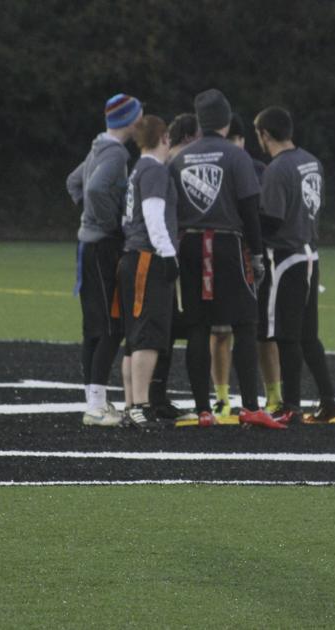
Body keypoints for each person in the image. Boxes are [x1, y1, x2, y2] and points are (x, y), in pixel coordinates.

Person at [170, 89, 283, 429]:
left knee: (198, 326)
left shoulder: (180, 159)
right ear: (225, 119)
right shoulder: (237, 158)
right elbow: (250, 208)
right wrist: (258, 252)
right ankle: (250, 406)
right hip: (228, 246)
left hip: (189, 246)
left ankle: (204, 409)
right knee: (245, 324)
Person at [253, 106, 335, 425]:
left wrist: (248, 229)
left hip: (286, 256)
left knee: (285, 335)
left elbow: (273, 221)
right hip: (310, 253)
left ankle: (289, 405)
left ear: (265, 134)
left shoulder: (277, 169)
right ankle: (329, 400)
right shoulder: (311, 161)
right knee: (308, 335)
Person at [66, 93, 143, 427]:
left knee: (93, 327)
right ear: (129, 119)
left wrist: (88, 220)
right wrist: (106, 224)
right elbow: (96, 190)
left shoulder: (98, 147)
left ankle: (95, 401)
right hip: (101, 245)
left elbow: (74, 182)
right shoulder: (115, 154)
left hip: (87, 245)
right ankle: (95, 406)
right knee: (113, 324)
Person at [209, 113, 283, 419]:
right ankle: (222, 396)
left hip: (251, 256)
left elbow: (263, 214)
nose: (232, 146)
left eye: (236, 141)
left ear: (242, 141)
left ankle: (274, 394)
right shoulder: (218, 167)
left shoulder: (257, 169)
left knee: (263, 331)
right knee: (221, 330)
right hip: (227, 256)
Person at [117, 115, 179, 429]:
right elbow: (153, 216)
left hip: (133, 256)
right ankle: (138, 405)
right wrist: (168, 255)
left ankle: (132, 404)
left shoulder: (138, 168)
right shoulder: (154, 170)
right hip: (147, 257)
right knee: (147, 336)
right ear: (165, 138)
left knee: (135, 337)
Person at [147, 112, 201, 423]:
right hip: (171, 253)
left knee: (164, 329)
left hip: (169, 251)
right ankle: (154, 397)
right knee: (173, 327)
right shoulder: (174, 165)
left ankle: (156, 395)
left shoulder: (164, 165)